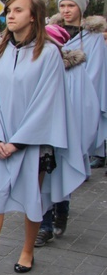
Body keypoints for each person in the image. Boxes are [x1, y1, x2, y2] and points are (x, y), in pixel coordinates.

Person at [0, 0, 67, 275]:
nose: (10, 15)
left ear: (33, 16)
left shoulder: (48, 54)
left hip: (32, 142)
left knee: (31, 196)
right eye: (8, 10)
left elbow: (48, 101)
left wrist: (18, 142)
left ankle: (27, 250)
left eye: (18, 10)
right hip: (1, 141)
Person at [36, 24, 99, 247]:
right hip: (40, 134)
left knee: (59, 179)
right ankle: (43, 226)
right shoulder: (36, 65)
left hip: (64, 134)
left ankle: (61, 210)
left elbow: (86, 105)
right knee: (40, 182)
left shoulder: (73, 70)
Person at [51, 0, 107, 170]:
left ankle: (79, 165)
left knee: (79, 130)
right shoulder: (53, 33)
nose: (66, 10)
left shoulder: (93, 36)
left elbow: (96, 68)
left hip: (82, 91)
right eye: (62, 5)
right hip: (56, 89)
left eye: (71, 5)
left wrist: (84, 91)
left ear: (80, 8)